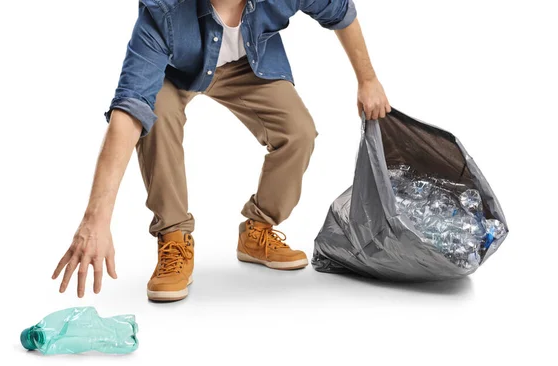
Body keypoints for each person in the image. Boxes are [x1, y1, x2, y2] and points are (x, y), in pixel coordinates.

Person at [52, 0, 391, 301]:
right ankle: (174, 237)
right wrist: (96, 219)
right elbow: (129, 108)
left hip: (249, 65)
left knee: (298, 132)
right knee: (154, 114)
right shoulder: (165, 8)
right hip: (175, 72)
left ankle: (258, 232)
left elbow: (340, 11)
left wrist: (368, 79)